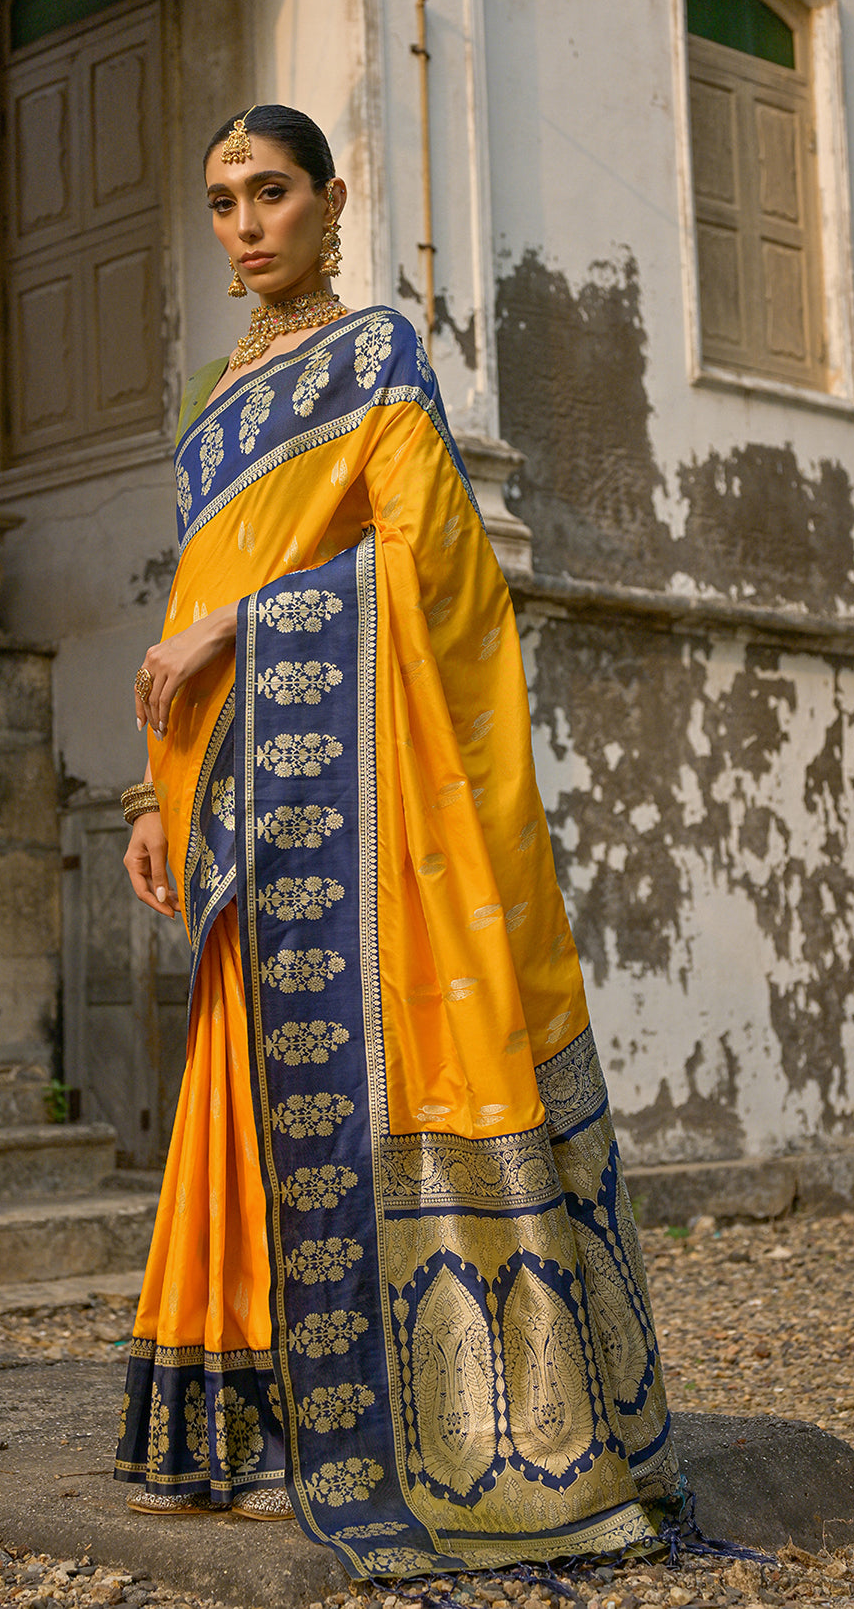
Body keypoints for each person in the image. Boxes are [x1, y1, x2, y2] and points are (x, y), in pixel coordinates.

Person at [113, 104, 680, 1582]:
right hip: (225, 794)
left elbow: (430, 567)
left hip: (352, 802)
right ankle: (245, 1416)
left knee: (370, 1074)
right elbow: (185, 591)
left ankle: (449, 1419)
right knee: (238, 1097)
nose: (246, 222)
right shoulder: (202, 406)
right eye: (225, 196)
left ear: (330, 200)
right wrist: (144, 795)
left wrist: (249, 623)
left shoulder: (376, 361)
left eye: (274, 192)